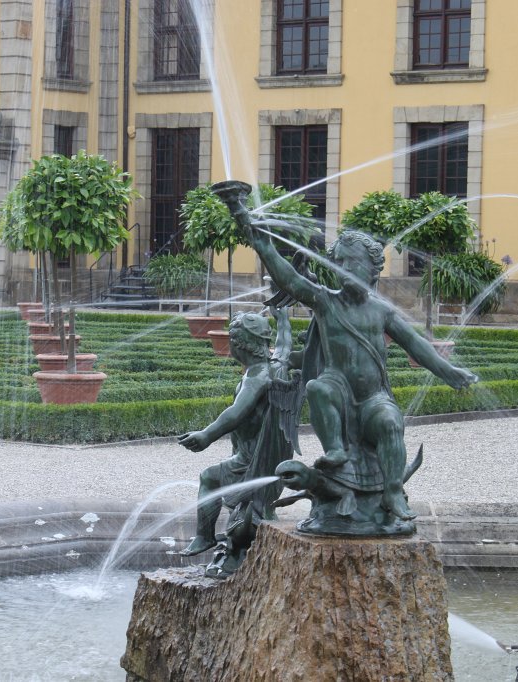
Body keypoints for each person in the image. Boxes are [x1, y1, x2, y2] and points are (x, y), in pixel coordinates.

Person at [218, 184, 477, 524]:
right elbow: (287, 276)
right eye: (337, 261)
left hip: (372, 397)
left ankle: (393, 491)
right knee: (318, 388)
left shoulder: (381, 312)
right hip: (337, 391)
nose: (341, 267)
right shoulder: (326, 300)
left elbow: (416, 344)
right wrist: (248, 224)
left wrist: (448, 371)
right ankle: (336, 450)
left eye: (349, 262)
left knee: (390, 422)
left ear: (372, 268)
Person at [177, 309, 297, 574]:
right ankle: (238, 545)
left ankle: (205, 536)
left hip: (251, 459)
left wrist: (206, 435)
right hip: (260, 456)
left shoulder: (257, 377)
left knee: (209, 478)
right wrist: (283, 318)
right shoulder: (275, 365)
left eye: (232, 339)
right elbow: (284, 344)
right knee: (246, 511)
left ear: (241, 345)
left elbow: (235, 413)